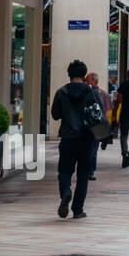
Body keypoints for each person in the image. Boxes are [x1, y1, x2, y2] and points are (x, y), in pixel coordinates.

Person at [51, 60, 98, 219]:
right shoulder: (90, 91)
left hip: (68, 137)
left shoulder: (61, 92)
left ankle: (65, 191)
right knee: (83, 174)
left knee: (64, 170)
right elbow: (97, 113)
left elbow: (55, 114)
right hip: (86, 138)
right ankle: (78, 209)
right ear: (84, 75)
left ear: (69, 74)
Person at [85, 72, 112, 180]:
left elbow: (107, 112)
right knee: (91, 149)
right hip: (90, 125)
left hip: (96, 126)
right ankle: (89, 171)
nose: (85, 82)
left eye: (87, 80)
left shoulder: (102, 94)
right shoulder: (90, 92)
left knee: (93, 150)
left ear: (93, 81)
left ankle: (90, 171)